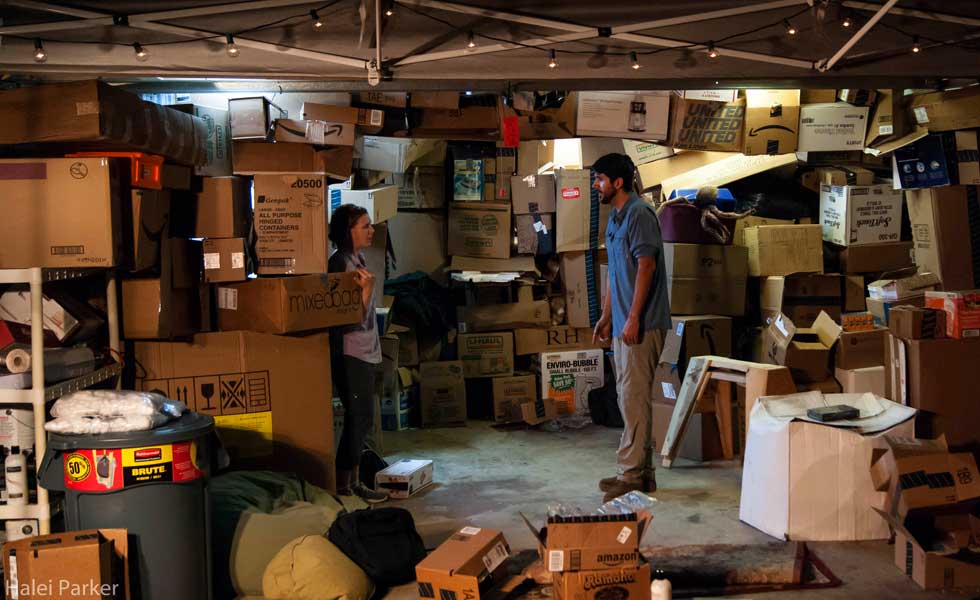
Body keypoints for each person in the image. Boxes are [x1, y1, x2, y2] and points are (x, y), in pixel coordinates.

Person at [590, 153, 672, 503]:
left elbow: (646, 267)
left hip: (643, 323)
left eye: (600, 179)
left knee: (633, 397)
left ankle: (631, 474)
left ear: (618, 182)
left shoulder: (639, 214)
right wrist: (608, 315)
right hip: (624, 322)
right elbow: (615, 273)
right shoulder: (616, 217)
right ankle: (643, 474)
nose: (596, 185)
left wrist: (634, 317)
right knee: (629, 397)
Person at [328, 203, 389, 503]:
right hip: (351, 353)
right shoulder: (341, 264)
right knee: (358, 417)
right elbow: (347, 317)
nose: (371, 230)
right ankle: (344, 485)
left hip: (365, 350)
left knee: (362, 418)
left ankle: (352, 483)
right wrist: (366, 291)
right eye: (365, 226)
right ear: (348, 231)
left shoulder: (358, 259)